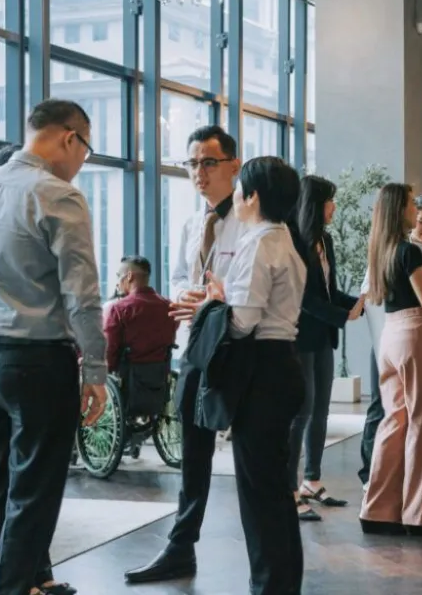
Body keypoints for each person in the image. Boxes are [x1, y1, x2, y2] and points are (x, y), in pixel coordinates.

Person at [0, 98, 108, 595]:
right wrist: (96, 372)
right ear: (69, 137)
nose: (83, 163)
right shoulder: (57, 195)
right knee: (33, 497)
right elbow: (81, 296)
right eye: (86, 150)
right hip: (38, 361)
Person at [125, 125, 246, 584]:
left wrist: (217, 300)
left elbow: (258, 288)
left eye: (208, 162)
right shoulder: (193, 222)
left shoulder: (252, 221)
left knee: (253, 458)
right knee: (192, 452)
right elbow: (180, 274)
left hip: (238, 347)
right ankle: (181, 546)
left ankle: (268, 560)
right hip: (197, 345)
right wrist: (187, 295)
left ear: (233, 166)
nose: (199, 172)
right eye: (192, 163)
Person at [188, 156, 308, 593]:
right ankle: (280, 585)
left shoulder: (259, 242)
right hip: (281, 366)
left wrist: (214, 302)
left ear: (253, 196)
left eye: (240, 188)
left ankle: (269, 587)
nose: (235, 196)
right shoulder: (284, 239)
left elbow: (242, 324)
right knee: (274, 494)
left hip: (263, 373)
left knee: (261, 498)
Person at [360, 183, 422, 536]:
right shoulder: (409, 251)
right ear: (401, 210)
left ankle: (378, 510)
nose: (417, 211)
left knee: (394, 421)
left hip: (390, 337)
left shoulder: (379, 250)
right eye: (413, 205)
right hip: (416, 335)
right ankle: (421, 516)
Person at [290, 175, 363, 521]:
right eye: (329, 201)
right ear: (315, 205)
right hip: (301, 338)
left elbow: (328, 291)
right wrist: (342, 315)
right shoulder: (294, 239)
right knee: (300, 412)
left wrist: (358, 302)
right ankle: (289, 488)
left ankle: (312, 480)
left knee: (321, 410)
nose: (334, 207)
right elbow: (303, 299)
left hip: (323, 338)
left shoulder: (325, 240)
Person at [103, 256, 178, 374]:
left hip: (128, 383)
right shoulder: (170, 307)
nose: (117, 283)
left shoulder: (119, 309)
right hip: (161, 383)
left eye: (118, 276)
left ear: (129, 276)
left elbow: (109, 352)